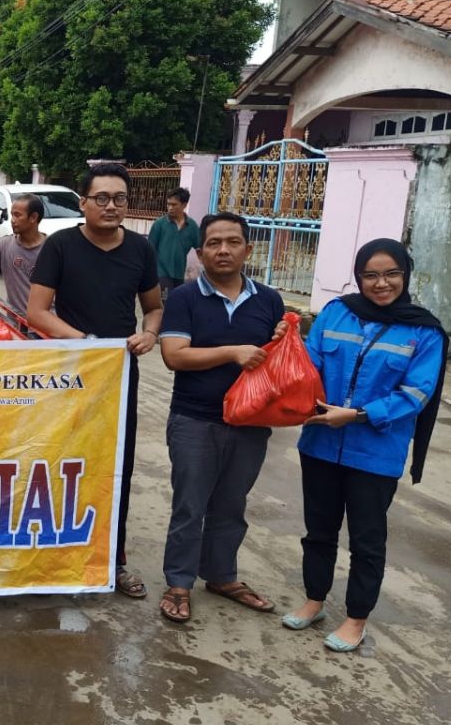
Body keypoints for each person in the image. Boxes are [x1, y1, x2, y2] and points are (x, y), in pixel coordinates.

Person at [283, 238, 447, 652]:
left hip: (375, 453)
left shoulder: (424, 331)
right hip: (320, 443)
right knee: (318, 531)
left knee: (366, 541)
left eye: (391, 273)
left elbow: (416, 394)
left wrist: (356, 415)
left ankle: (356, 619)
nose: (381, 283)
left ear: (405, 275)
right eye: (371, 275)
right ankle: (314, 600)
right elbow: (311, 362)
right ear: (359, 276)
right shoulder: (338, 312)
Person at [27, 162, 163, 599]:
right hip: (70, 372)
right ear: (82, 203)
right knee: (63, 459)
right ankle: (56, 554)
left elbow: (154, 307)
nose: (111, 206)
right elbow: (38, 312)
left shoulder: (141, 250)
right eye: (101, 198)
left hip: (120, 374)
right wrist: (86, 342)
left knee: (115, 463)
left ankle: (113, 559)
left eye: (119, 199)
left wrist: (149, 334)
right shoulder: (61, 246)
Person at [157, 212, 287, 623]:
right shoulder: (184, 298)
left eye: (233, 242)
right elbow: (174, 355)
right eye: (214, 243)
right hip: (196, 419)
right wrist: (233, 352)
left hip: (250, 422)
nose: (224, 250)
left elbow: (276, 362)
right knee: (190, 506)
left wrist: (283, 343)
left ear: (248, 249)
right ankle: (179, 582)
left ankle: (221, 575)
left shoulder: (269, 300)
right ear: (201, 252)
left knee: (232, 504)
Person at [147, 187, 201, 301]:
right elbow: (149, 250)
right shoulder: (159, 224)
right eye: (168, 204)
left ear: (184, 205)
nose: (170, 208)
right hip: (161, 274)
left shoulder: (192, 226)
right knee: (165, 304)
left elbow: (201, 248)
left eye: (174, 205)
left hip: (179, 275)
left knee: (176, 304)